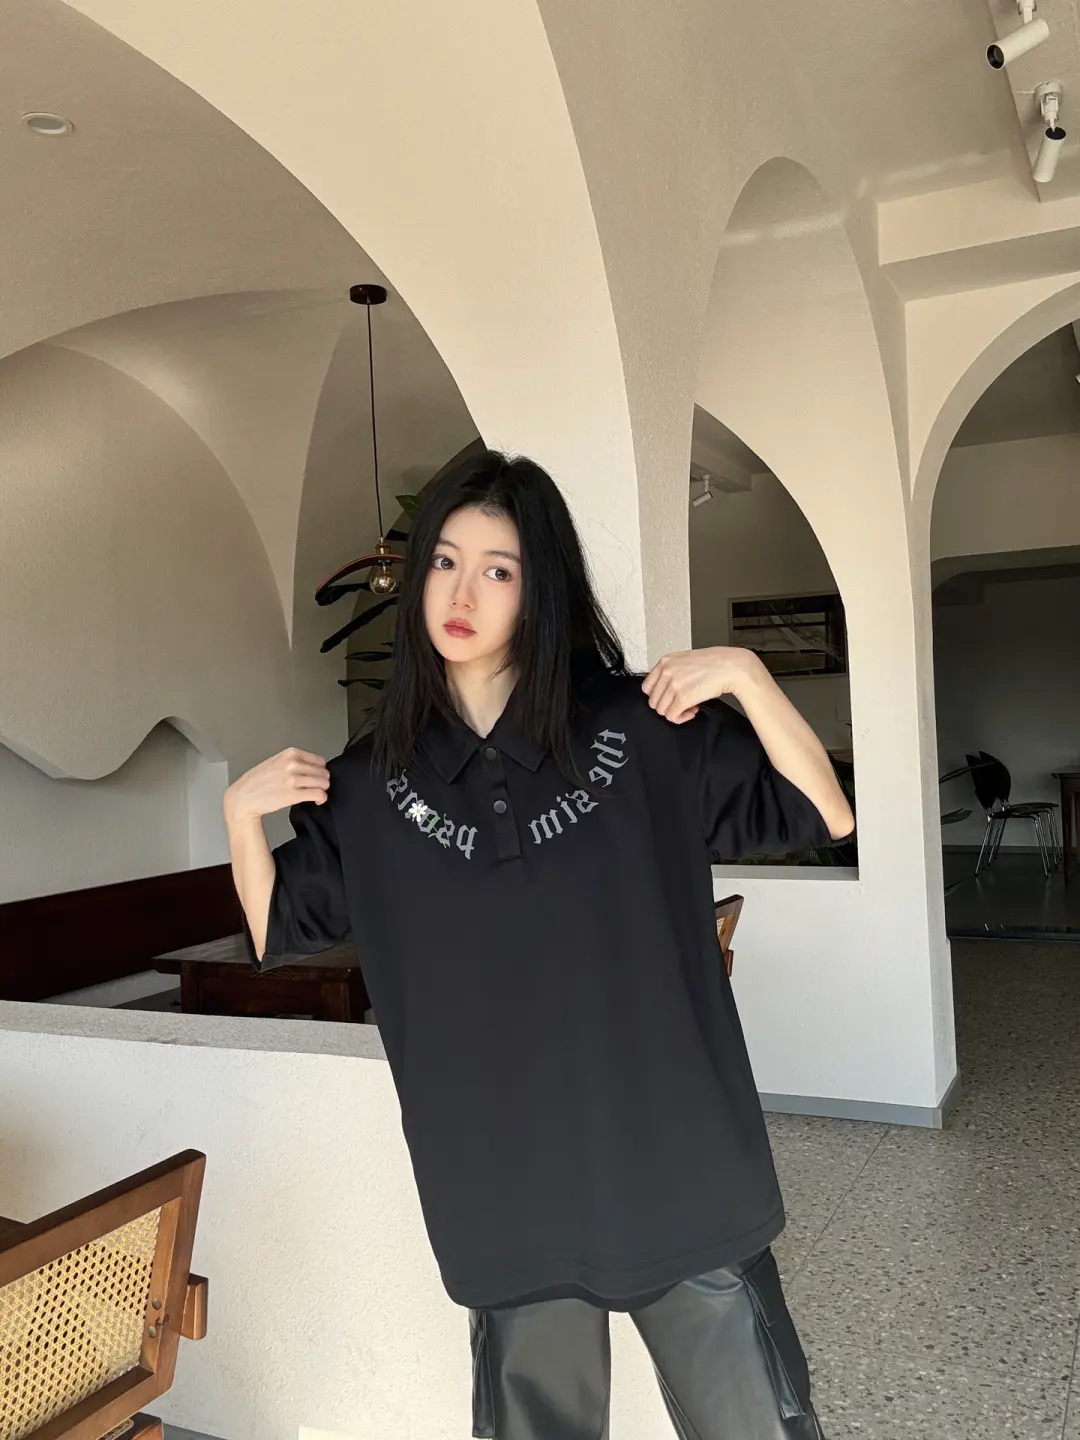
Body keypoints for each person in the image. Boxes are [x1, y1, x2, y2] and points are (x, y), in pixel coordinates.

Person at [224, 449, 854, 1440]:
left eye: (499, 569)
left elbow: (823, 812)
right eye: (444, 562)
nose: (462, 593)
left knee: (755, 1424)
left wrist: (746, 674)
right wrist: (237, 815)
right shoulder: (376, 784)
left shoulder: (638, 729)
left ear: (540, 590)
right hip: (502, 1175)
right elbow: (276, 928)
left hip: (677, 1152)